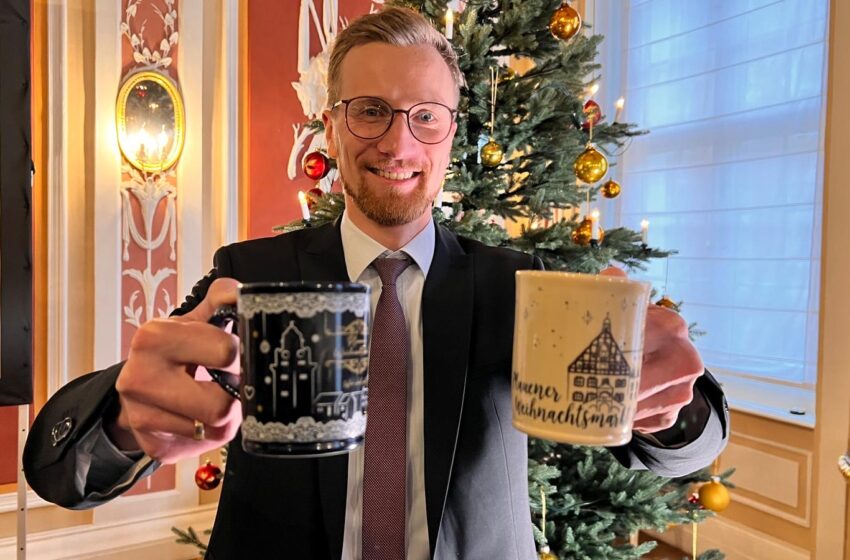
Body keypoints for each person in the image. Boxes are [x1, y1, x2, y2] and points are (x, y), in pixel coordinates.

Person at [24, 7, 729, 559]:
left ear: (451, 136)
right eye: (370, 111)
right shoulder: (250, 275)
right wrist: (122, 419)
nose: (398, 144)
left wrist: (673, 399)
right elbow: (59, 472)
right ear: (330, 127)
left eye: (426, 117)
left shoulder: (522, 288)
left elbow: (684, 448)